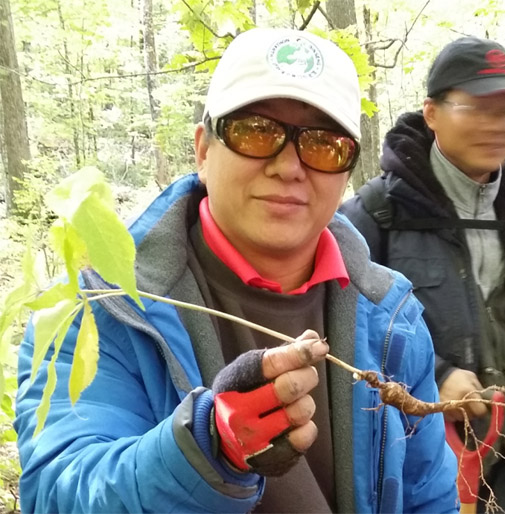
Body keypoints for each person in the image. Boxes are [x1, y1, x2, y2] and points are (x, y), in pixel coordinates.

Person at [15, 28, 459, 513]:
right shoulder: (107, 304)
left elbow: (428, 498)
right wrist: (203, 451)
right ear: (204, 150)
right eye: (256, 131)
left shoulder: (393, 317)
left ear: (347, 169)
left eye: (324, 145)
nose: (289, 167)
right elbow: (59, 493)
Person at [340, 36, 505, 513]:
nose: (497, 126)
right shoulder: (376, 215)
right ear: (431, 113)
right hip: (412, 460)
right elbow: (343, 339)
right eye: (477, 108)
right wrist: (435, 376)